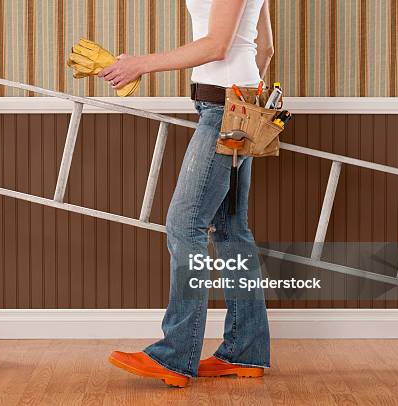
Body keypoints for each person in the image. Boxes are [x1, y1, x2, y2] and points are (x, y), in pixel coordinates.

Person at [99, 0, 274, 388]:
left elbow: (216, 46)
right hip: (238, 103)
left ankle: (176, 355)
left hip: (223, 106)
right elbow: (265, 49)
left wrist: (140, 63)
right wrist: (247, 101)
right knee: (231, 229)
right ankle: (245, 351)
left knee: (185, 225)